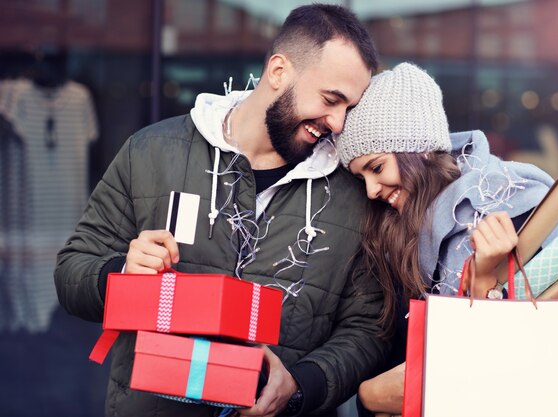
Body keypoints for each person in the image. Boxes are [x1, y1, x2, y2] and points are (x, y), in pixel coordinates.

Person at [54, 5, 389, 417]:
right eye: (330, 100)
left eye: (348, 108)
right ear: (279, 71)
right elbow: (71, 271)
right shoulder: (151, 151)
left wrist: (301, 387)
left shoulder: (354, 191)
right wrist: (121, 274)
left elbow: (368, 329)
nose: (337, 123)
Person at [334, 62, 558, 417]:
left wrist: (485, 278)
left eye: (377, 167)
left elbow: (523, 358)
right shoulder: (401, 230)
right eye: (360, 177)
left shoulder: (509, 207)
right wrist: (371, 397)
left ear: (420, 148)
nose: (370, 190)